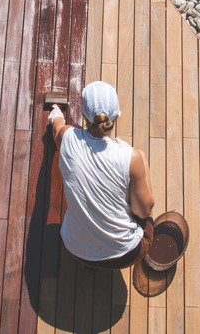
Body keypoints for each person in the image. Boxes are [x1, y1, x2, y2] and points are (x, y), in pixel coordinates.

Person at [47, 81, 155, 269]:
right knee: (148, 211)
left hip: (77, 250)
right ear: (116, 116)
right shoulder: (131, 157)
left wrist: (56, 113)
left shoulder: (68, 139)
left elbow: (57, 128)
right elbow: (143, 211)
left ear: (85, 115)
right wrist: (140, 160)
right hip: (126, 254)